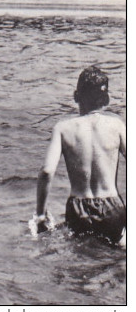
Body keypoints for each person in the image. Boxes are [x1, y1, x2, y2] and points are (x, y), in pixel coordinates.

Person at [34, 66, 126, 244]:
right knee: (114, 258)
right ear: (106, 99)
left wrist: (41, 215)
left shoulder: (63, 128)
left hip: (78, 209)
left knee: (79, 258)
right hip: (112, 208)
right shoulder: (117, 125)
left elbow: (46, 172)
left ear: (76, 96)